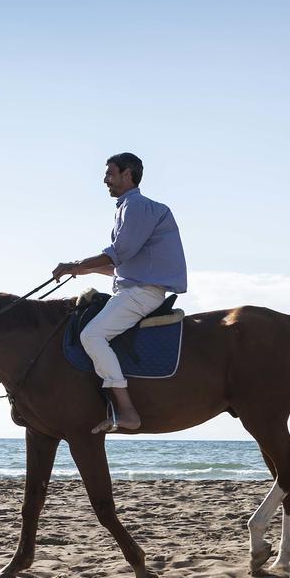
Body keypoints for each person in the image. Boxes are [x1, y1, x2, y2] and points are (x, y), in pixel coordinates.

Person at [52, 153, 187, 433]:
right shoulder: (128, 206)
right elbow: (123, 265)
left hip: (141, 293)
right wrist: (81, 271)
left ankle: (127, 411)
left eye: (110, 174)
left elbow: (118, 254)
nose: (105, 180)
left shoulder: (136, 206)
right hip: (135, 287)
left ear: (128, 175)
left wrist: (75, 265)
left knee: (92, 334)